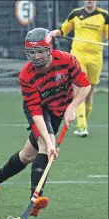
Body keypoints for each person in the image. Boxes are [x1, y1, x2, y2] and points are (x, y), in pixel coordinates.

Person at [0, 28, 91, 217]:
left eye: (40, 51)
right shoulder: (26, 75)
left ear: (49, 49)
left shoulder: (66, 60)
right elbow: (37, 113)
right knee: (44, 146)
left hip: (60, 108)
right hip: (39, 110)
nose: (36, 56)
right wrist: (50, 142)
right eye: (32, 52)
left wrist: (72, 107)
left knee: (27, 156)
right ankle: (36, 198)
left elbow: (85, 85)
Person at [50, 0, 109, 137]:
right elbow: (63, 30)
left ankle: (83, 124)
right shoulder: (75, 14)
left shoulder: (104, 15)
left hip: (95, 58)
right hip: (78, 56)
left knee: (89, 93)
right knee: (79, 89)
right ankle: (82, 126)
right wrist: (54, 33)